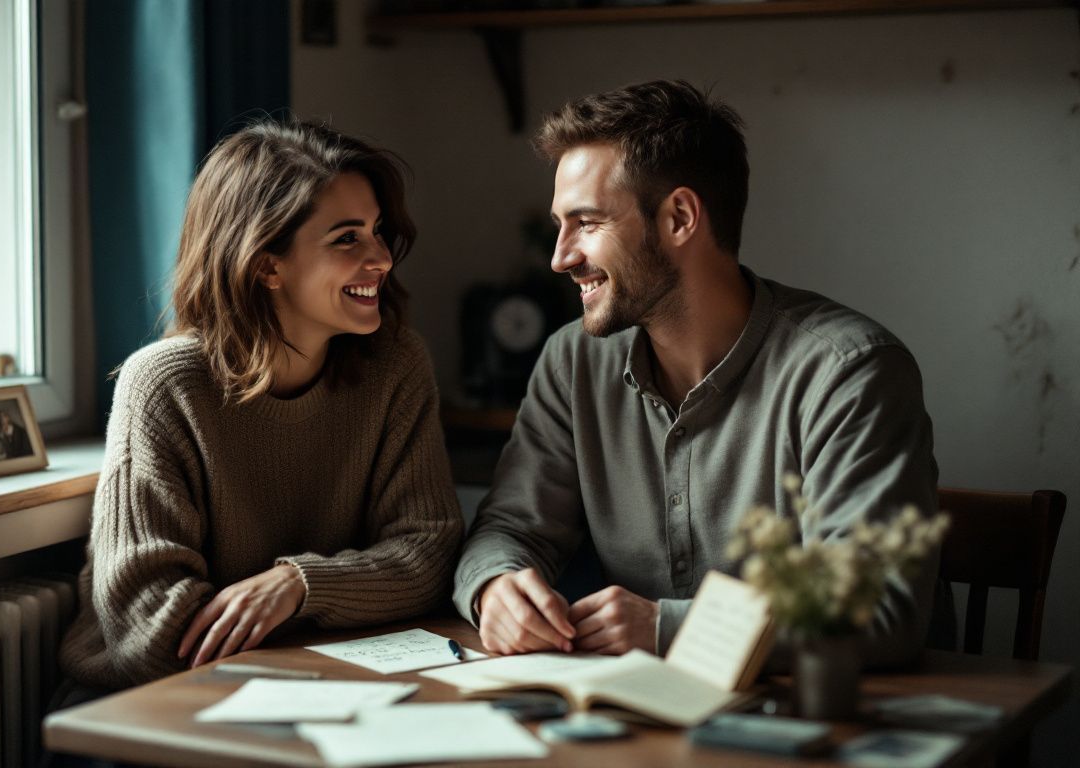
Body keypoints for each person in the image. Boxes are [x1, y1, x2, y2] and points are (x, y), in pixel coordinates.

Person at [453, 81, 940, 667]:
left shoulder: (849, 373)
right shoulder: (573, 361)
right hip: (633, 710)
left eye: (586, 222)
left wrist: (668, 628)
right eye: (560, 224)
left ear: (679, 218)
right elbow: (510, 527)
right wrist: (496, 586)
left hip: (818, 714)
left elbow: (875, 607)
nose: (560, 257)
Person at [56, 121, 463, 698]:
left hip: (331, 684)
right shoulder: (164, 385)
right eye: (347, 238)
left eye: (376, 232)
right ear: (266, 265)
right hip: (150, 703)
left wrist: (298, 586)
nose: (380, 259)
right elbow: (150, 633)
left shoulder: (395, 364)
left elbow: (430, 555)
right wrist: (356, 596)